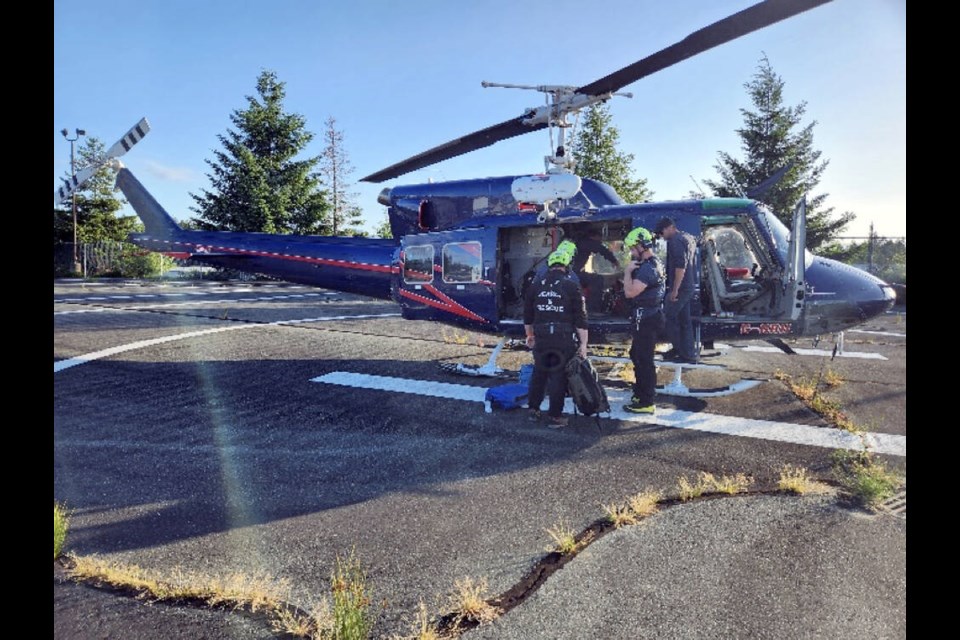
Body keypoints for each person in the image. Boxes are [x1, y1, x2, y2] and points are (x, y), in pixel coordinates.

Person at [523, 245, 589, 427]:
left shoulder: (535, 286)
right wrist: (583, 345)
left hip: (542, 338)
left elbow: (528, 316)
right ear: (567, 266)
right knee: (558, 376)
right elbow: (581, 320)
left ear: (550, 265)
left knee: (539, 373)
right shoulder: (571, 286)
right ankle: (554, 416)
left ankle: (533, 410)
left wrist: (530, 336)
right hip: (563, 339)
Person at [621, 226, 665, 415]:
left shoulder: (648, 268)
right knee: (636, 355)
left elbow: (630, 292)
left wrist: (627, 272)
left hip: (647, 318)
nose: (631, 252)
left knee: (644, 359)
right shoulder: (652, 264)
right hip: (646, 316)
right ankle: (640, 393)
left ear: (641, 246)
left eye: (632, 248)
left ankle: (647, 401)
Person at [655, 216, 697, 363]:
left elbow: (680, 267)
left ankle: (682, 352)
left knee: (668, 317)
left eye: (662, 232)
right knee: (684, 320)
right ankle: (687, 352)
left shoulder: (675, 241)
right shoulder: (687, 237)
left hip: (681, 287)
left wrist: (674, 290)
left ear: (670, 227)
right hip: (688, 285)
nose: (661, 236)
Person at [569, 229, 620, 312]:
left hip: (571, 273)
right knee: (597, 279)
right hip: (573, 274)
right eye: (599, 239)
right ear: (594, 237)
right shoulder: (588, 242)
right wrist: (614, 261)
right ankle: (593, 310)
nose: (600, 241)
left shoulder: (579, 242)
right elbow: (602, 250)